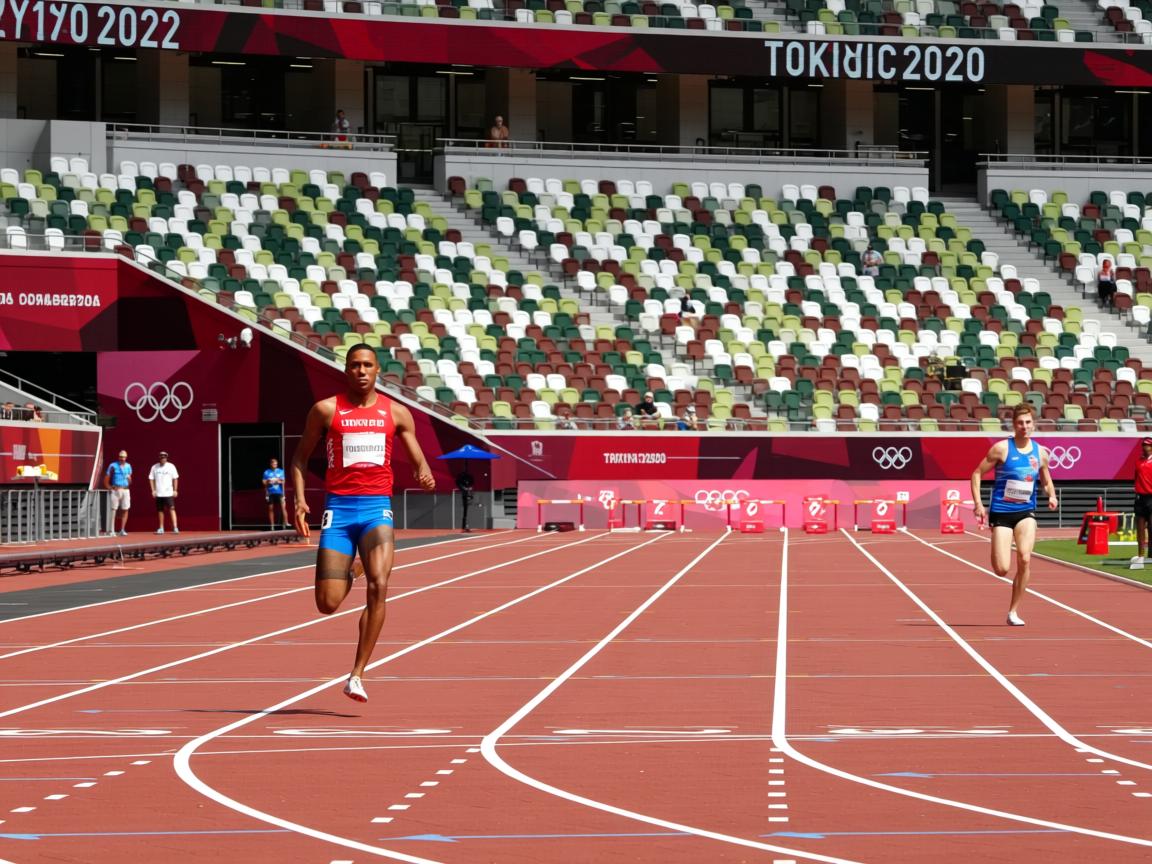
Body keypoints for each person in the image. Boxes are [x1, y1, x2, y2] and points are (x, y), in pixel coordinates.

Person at [291, 344, 436, 703]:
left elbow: (416, 451)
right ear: (346, 370)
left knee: (380, 584)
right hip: (338, 512)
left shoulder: (397, 412)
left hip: (377, 509)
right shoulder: (326, 410)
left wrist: (423, 469)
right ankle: (354, 570)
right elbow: (298, 458)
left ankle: (357, 674)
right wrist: (298, 501)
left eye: (367, 365)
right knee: (327, 603)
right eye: (354, 365)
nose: (361, 370)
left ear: (377, 370)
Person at [971, 404, 1057, 626]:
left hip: (1026, 512)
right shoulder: (1001, 449)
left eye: (1028, 422)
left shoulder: (1041, 453)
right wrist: (979, 504)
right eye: (1020, 423)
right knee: (1002, 569)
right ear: (1014, 425)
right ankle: (998, 547)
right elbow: (977, 473)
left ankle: (1013, 611)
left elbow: (1046, 478)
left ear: (1033, 424)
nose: (1024, 427)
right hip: (1001, 512)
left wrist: (1052, 495)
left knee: (1025, 558)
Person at [1130, 437, 1152, 570]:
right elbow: (1135, 477)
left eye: (1148, 445)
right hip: (1140, 498)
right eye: (1143, 445)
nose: (1145, 447)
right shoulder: (1138, 461)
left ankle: (1151, 553)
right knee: (1140, 528)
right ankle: (1140, 556)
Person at [149, 451, 180, 534]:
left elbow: (175, 478)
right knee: (160, 510)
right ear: (159, 458)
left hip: (168, 493)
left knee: (172, 509)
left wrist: (175, 490)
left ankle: (175, 527)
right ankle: (161, 528)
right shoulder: (154, 467)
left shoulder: (171, 466)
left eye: (164, 457)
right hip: (159, 493)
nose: (163, 458)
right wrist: (153, 490)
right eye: (161, 457)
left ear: (166, 458)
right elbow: (151, 479)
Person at [104, 450, 133, 536]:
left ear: (126, 457)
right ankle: (112, 530)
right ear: (118, 457)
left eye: (124, 457)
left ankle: (122, 529)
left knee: (125, 509)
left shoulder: (128, 466)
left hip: (125, 490)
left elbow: (130, 481)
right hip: (116, 489)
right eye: (121, 457)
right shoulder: (112, 465)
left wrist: (129, 479)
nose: (122, 459)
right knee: (114, 509)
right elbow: (106, 478)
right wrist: (109, 487)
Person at [263, 457, 289, 530]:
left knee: (283, 507)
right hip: (270, 493)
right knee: (271, 509)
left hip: (279, 492)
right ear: (271, 464)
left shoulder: (281, 471)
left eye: (276, 464)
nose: (275, 465)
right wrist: (268, 481)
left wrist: (284, 494)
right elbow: (264, 482)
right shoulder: (266, 472)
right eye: (273, 463)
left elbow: (283, 482)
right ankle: (272, 525)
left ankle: (286, 523)